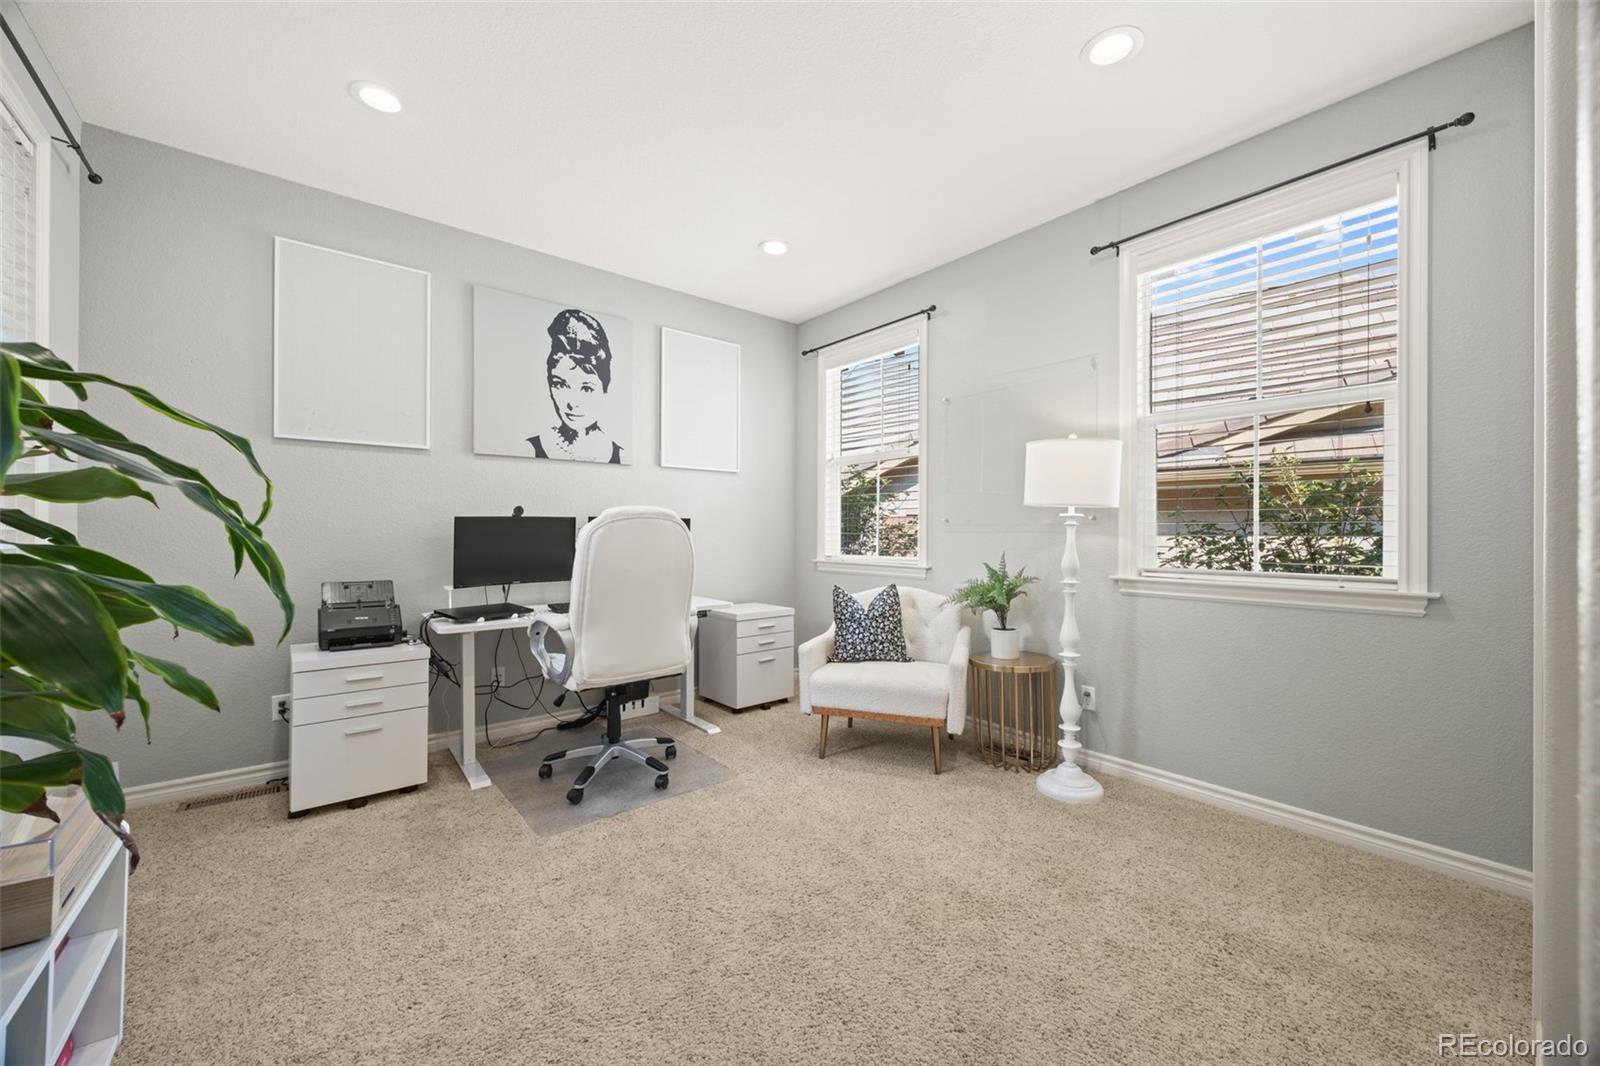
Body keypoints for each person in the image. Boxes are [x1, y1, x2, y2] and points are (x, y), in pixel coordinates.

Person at [527, 308, 624, 464]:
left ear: (605, 388)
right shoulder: (530, 449)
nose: (572, 403)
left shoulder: (621, 455)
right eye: (560, 384)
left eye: (586, 388)